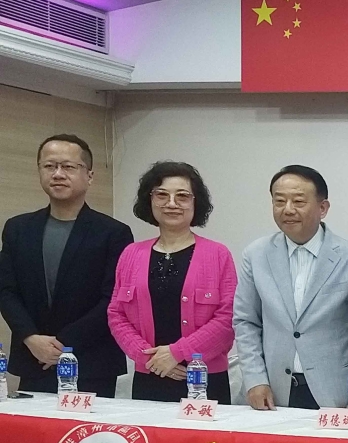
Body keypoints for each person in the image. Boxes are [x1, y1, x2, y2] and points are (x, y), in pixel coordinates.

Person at [234, 165, 348, 410]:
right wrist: (255, 380)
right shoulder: (256, 254)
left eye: (299, 201)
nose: (288, 209)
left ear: (323, 208)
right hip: (273, 390)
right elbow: (246, 322)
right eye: (279, 201)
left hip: (335, 392)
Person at [0, 134, 133, 397]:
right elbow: (6, 290)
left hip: (91, 363)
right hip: (34, 359)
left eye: (69, 167)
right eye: (49, 166)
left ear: (90, 176)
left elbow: (113, 299)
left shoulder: (113, 232)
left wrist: (63, 344)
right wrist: (31, 338)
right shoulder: (18, 228)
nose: (58, 174)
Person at [107, 162, 236, 403]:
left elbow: (228, 318)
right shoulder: (131, 254)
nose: (172, 203)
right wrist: (149, 358)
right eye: (162, 195)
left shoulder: (218, 254)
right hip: (150, 376)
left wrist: (177, 353)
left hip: (203, 379)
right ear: (150, 200)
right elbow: (116, 314)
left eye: (182, 196)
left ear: (196, 202)